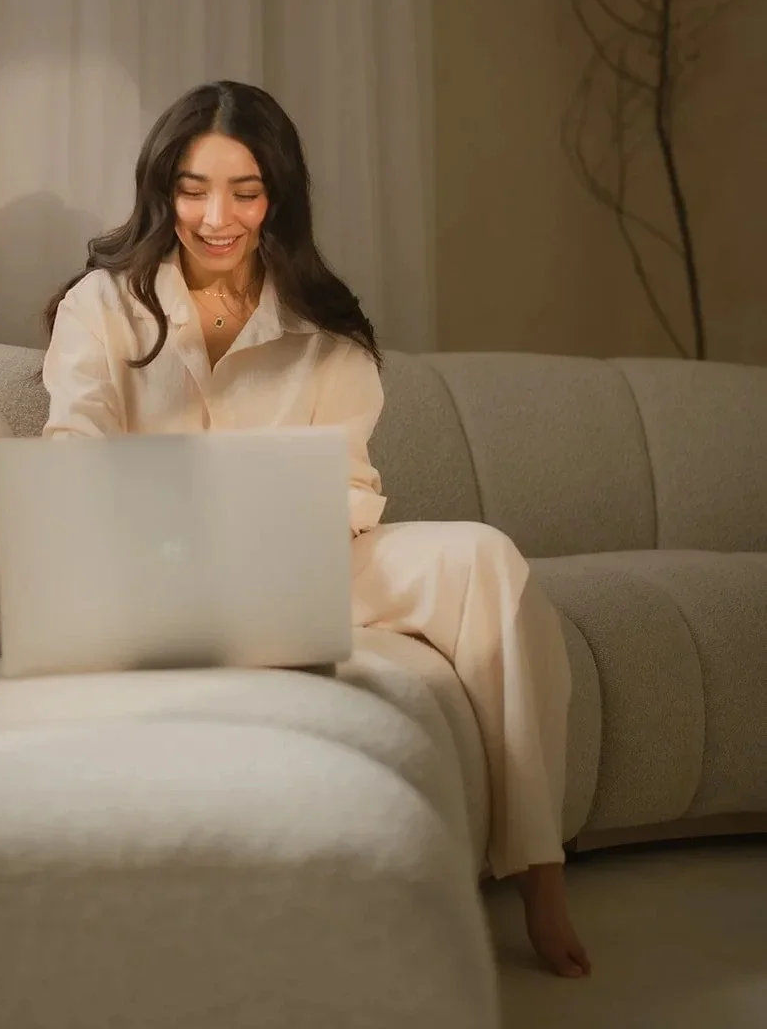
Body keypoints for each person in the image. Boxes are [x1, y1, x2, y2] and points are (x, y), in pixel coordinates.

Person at [37, 79, 590, 978]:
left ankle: (540, 873)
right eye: (192, 186)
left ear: (277, 197)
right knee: (8, 579)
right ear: (160, 189)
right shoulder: (104, 306)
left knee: (483, 559)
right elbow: (74, 449)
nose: (216, 215)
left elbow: (348, 487)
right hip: (146, 565)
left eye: (244, 191)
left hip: (296, 561)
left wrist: (274, 531)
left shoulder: (323, 332)